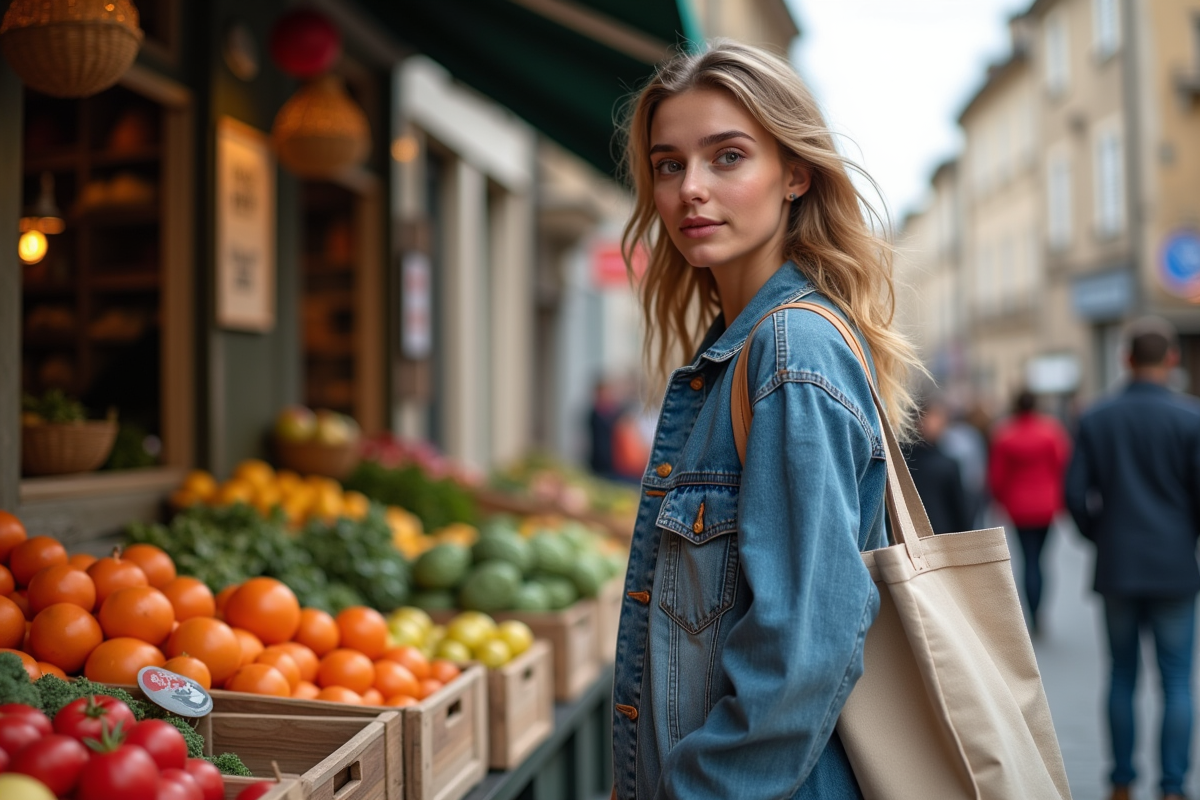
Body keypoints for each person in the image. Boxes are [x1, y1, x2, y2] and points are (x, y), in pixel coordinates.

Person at [611, 40, 921, 799]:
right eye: (669, 164)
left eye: (727, 157)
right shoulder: (740, 348)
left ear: (794, 174)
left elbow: (806, 649)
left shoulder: (788, 349)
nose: (691, 189)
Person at [1065, 318, 1200, 800]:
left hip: (1118, 564)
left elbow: (1075, 494)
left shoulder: (1097, 417)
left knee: (1121, 675)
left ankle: (1121, 783)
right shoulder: (1191, 418)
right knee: (1177, 683)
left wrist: (1100, 536)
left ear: (1125, 359)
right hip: (1175, 566)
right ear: (1171, 359)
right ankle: (1172, 787)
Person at [988, 389, 1070, 635]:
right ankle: (1040, 611)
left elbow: (997, 476)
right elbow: (1062, 466)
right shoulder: (1051, 431)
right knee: (1041, 559)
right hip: (1046, 506)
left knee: (1028, 559)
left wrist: (1001, 500)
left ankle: (1033, 613)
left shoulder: (1005, 434)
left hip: (1018, 506)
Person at [904, 398, 972, 534]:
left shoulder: (948, 463)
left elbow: (959, 509)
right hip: (913, 533)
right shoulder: (905, 460)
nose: (931, 424)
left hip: (941, 535)